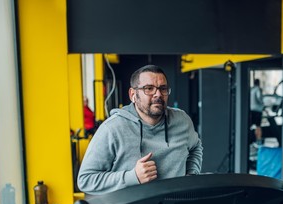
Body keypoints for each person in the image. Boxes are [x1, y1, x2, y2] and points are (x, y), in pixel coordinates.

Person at [77, 65, 203, 195]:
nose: (158, 94)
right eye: (149, 88)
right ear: (133, 95)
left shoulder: (182, 120)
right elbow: (86, 180)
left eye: (163, 88)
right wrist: (133, 177)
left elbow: (196, 146)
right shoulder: (112, 129)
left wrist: (191, 174)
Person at [250, 79, 264, 145]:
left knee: (252, 125)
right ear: (259, 83)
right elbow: (259, 98)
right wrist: (262, 104)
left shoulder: (251, 90)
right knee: (258, 126)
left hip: (251, 109)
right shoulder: (258, 89)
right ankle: (258, 140)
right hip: (258, 110)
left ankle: (253, 139)